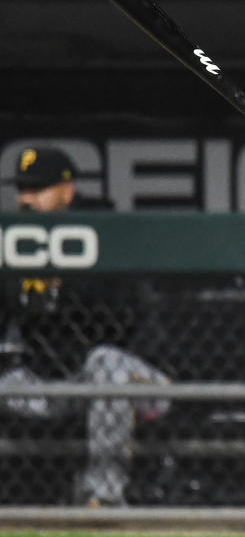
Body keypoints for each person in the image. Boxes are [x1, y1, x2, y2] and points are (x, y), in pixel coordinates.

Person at [0, 146, 171, 507]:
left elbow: (133, 323)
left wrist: (64, 285)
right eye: (23, 190)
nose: (28, 199)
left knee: (106, 364)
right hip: (60, 384)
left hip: (140, 378)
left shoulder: (108, 236)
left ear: (67, 190)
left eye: (39, 189)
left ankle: (105, 498)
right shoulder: (17, 248)